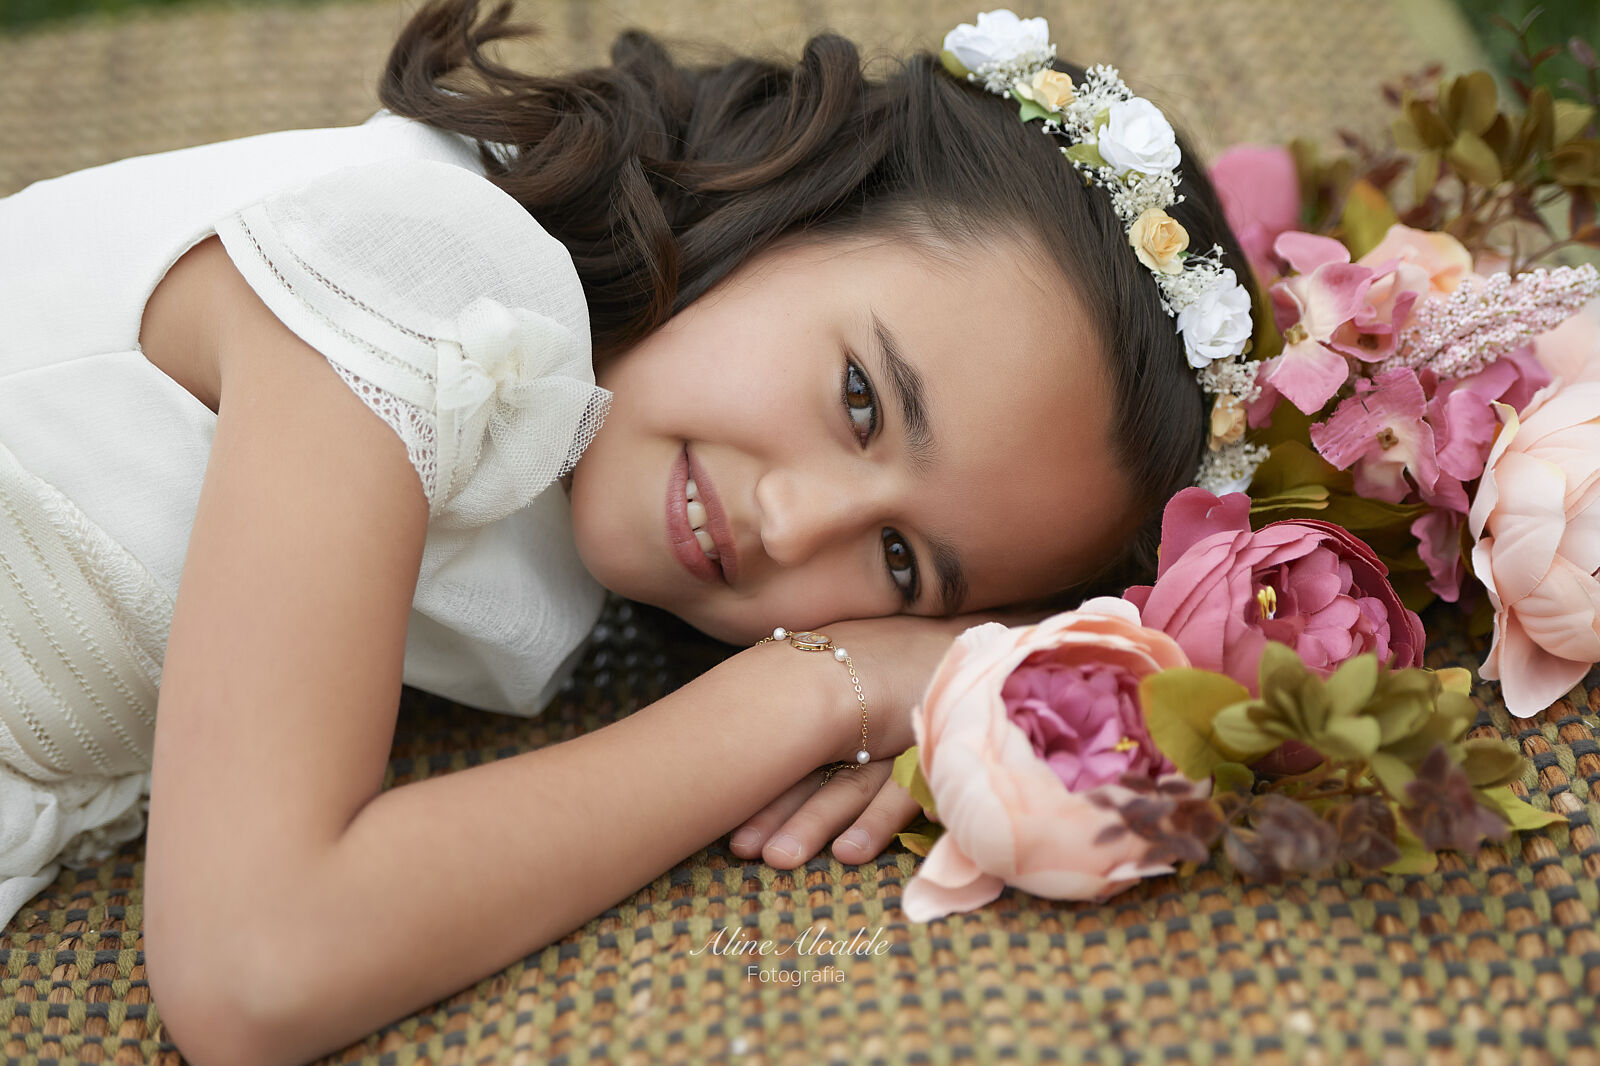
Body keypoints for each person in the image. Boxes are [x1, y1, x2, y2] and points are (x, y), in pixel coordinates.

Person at [0, 1, 1251, 1061]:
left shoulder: (567, 479)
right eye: (861, 399)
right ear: (795, 199)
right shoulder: (424, 276)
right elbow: (254, 962)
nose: (787, 522)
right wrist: (826, 686)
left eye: (898, 566)